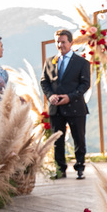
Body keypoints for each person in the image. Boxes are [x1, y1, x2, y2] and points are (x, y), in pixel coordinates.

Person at [40, 30, 91, 179]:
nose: (60, 45)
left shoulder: (82, 62)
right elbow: (44, 82)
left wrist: (70, 97)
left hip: (75, 107)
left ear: (71, 43)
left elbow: (85, 84)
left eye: (63, 41)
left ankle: (80, 167)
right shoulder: (50, 61)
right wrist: (50, 96)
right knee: (57, 141)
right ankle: (60, 169)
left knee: (79, 139)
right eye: (57, 42)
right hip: (56, 108)